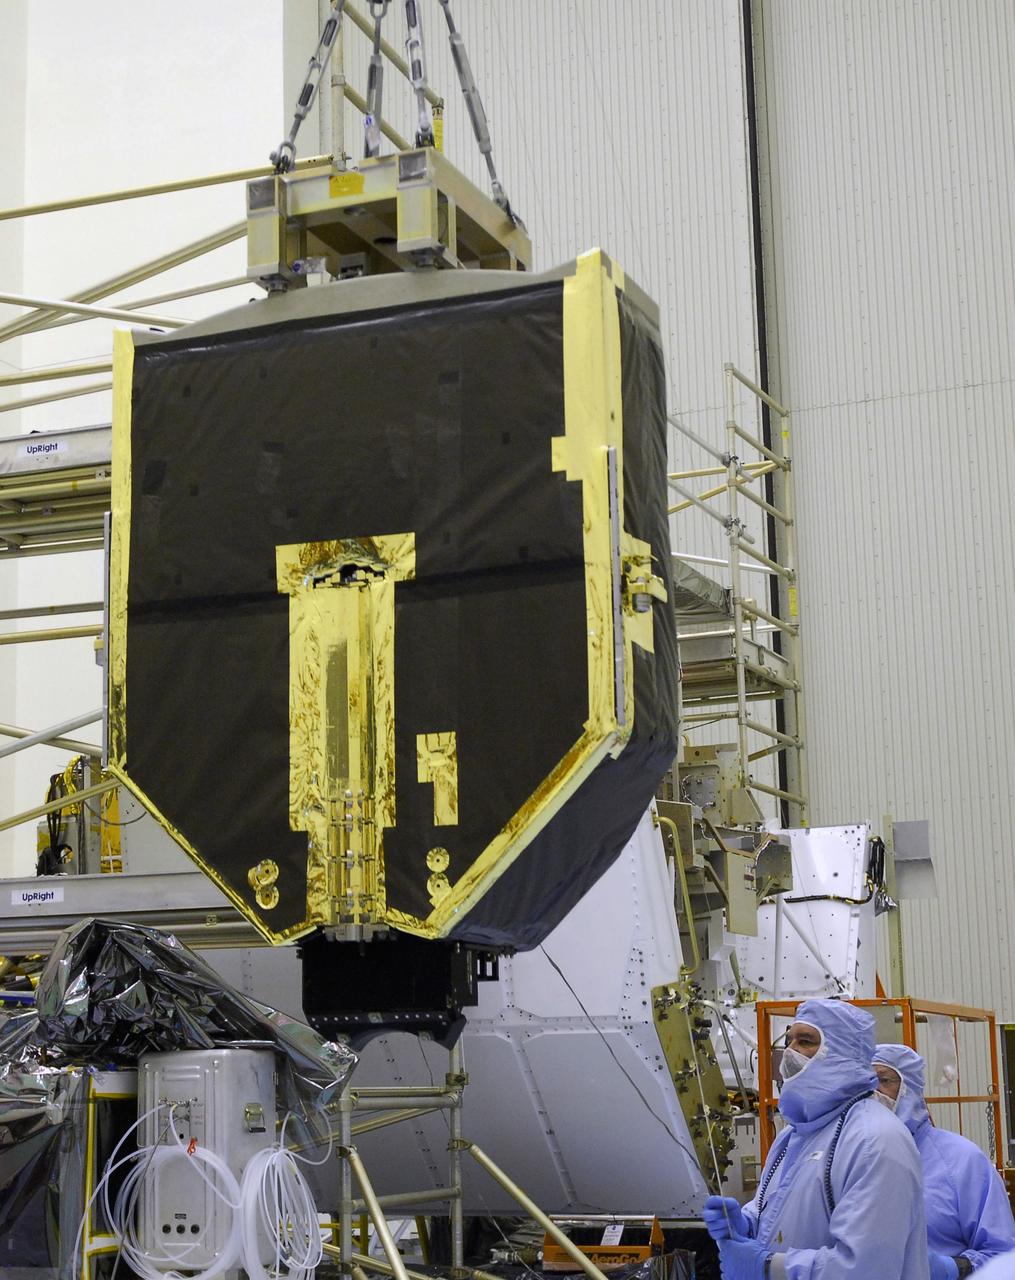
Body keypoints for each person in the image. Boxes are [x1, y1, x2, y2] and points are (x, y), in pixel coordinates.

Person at [702, 999, 929, 1279]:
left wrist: (766, 1267)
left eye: (806, 1041)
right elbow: (785, 1211)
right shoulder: (794, 1135)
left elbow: (866, 1268)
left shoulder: (875, 1141)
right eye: (789, 1040)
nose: (790, 1052)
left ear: (842, 1053)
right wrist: (746, 1224)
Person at [873, 1043, 1015, 1277]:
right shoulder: (845, 1159)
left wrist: (953, 1268)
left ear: (910, 1088)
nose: (873, 1092)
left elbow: (1002, 1253)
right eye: (866, 1082)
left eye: (885, 1080)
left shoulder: (961, 1160)